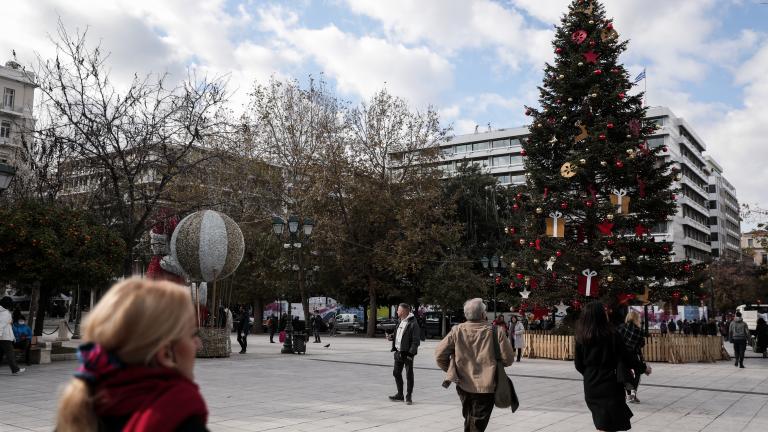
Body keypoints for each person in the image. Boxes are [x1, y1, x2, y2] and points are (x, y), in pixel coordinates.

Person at [55, 278, 207, 432]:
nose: (198, 344)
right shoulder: (181, 419)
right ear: (165, 353)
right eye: (191, 334)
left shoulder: (79, 412)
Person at [435, 298, 514, 432]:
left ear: (466, 315)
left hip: (463, 384)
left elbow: (439, 355)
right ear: (483, 314)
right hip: (486, 387)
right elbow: (508, 359)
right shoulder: (496, 331)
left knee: (470, 418)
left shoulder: (457, 330)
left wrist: (452, 370)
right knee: (477, 423)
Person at [575, 302, 633, 432]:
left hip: (591, 383)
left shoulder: (581, 337)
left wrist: (590, 374)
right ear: (601, 315)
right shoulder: (613, 334)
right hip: (610, 381)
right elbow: (626, 357)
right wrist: (643, 367)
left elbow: (578, 364)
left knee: (602, 421)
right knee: (610, 422)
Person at [387, 303, 421, 405]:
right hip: (398, 352)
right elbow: (399, 334)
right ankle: (400, 395)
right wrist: (391, 337)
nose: (397, 311)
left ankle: (408, 396)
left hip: (407, 354)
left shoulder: (413, 323)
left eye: (398, 310)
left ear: (404, 311)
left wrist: (411, 354)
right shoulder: (400, 321)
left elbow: (416, 341)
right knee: (396, 373)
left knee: (409, 375)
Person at [618, 310, 652, 403]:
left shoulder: (621, 327)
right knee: (637, 373)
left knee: (625, 375)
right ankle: (633, 394)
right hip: (633, 355)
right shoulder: (639, 331)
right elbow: (641, 344)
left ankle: (629, 395)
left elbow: (616, 341)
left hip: (621, 356)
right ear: (637, 319)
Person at [0, 297, 25, 375]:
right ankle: (15, 369)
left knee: (0, 353)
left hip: (3, 336)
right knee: (10, 353)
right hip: (5, 337)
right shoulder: (5, 313)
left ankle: (15, 369)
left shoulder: (2, 312)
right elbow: (1, 325)